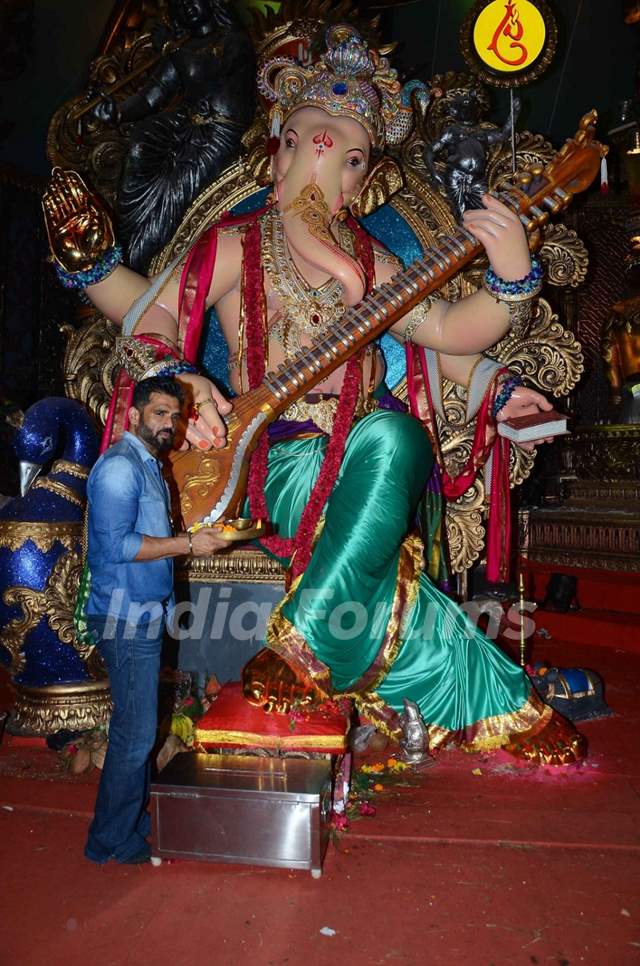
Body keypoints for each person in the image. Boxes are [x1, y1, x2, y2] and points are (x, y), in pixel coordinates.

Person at [43, 25, 585, 766]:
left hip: (367, 455)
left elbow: (455, 330)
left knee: (393, 437)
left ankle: (302, 649)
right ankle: (491, 702)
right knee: (388, 457)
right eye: (303, 143)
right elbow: (153, 312)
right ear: (279, 150)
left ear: (362, 180)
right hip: (278, 456)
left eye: (348, 157)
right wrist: (103, 277)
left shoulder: (378, 261)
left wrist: (511, 274)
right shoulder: (237, 243)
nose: (320, 167)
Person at [84, 376, 226, 864]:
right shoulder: (120, 470)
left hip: (143, 615)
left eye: (175, 415)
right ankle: (110, 841)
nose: (169, 424)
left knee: (139, 730)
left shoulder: (148, 466)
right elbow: (115, 547)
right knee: (135, 733)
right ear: (133, 414)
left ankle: (131, 820)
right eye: (159, 414)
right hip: (123, 619)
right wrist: (189, 545)